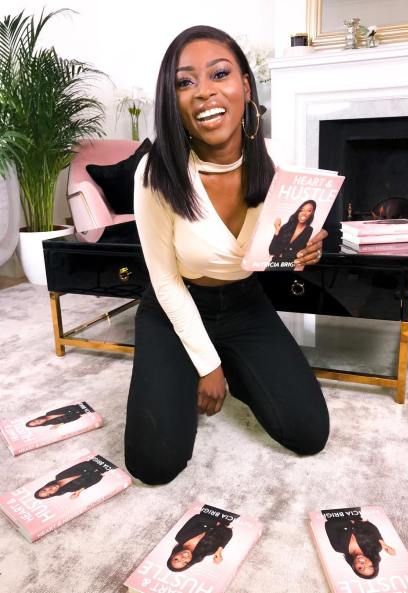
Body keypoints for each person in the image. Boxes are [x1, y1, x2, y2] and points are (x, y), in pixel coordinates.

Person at [124, 25, 330, 486]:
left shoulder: (277, 163)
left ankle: (234, 360)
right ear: (171, 100)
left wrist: (305, 250)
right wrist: (208, 366)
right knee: (154, 464)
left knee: (308, 432)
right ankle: (207, 362)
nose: (204, 92)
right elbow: (163, 279)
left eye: (219, 73)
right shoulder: (155, 172)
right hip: (173, 307)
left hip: (244, 304)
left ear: (245, 86)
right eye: (185, 81)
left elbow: (274, 252)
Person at [324, 512, 396, 579]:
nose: (363, 563)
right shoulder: (375, 547)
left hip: (331, 513)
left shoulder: (339, 547)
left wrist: (352, 523)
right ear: (373, 563)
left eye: (360, 568)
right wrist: (383, 543)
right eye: (370, 566)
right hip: (352, 510)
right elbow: (369, 526)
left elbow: (329, 525)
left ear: (354, 568)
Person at [167, 513, 233, 572]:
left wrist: (217, 524)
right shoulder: (208, 551)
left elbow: (197, 518)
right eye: (185, 562)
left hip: (210, 508)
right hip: (228, 516)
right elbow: (228, 532)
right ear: (189, 562)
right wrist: (219, 551)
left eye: (176, 559)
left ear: (173, 555)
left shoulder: (180, 537)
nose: (183, 558)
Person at [34, 457, 113, 500]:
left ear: (44, 487)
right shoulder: (71, 489)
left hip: (97, 461)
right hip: (105, 468)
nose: (50, 490)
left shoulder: (59, 476)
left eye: (45, 490)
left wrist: (93, 470)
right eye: (49, 493)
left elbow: (82, 464)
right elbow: (95, 480)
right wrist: (79, 491)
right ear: (52, 494)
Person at [268, 200, 316, 265]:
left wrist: (281, 254)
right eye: (302, 210)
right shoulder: (287, 226)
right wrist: (277, 230)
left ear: (312, 213)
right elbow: (271, 250)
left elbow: (299, 253)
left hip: (289, 266)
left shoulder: (309, 230)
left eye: (309, 211)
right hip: (273, 264)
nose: (304, 213)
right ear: (298, 211)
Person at [25, 403, 93, 427]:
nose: (37, 422)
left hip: (79, 406)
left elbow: (68, 407)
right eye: (36, 424)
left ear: (34, 419)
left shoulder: (49, 413)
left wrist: (75, 411)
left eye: (34, 421)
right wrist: (78, 414)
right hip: (85, 412)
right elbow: (71, 419)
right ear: (39, 425)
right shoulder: (54, 423)